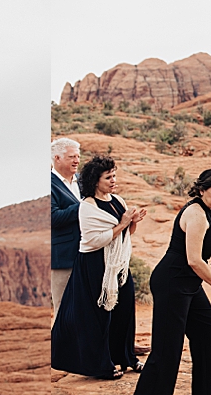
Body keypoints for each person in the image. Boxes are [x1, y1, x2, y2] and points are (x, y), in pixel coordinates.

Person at [118, 168, 211, 395]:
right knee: (167, 350)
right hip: (172, 283)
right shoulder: (195, 213)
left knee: (209, 332)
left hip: (188, 285)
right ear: (201, 190)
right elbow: (194, 260)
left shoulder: (208, 210)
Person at [50, 155, 147, 379]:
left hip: (117, 264)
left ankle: (126, 358)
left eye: (114, 176)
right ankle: (101, 365)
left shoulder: (117, 200)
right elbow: (95, 240)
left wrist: (132, 223)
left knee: (123, 311)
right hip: (95, 265)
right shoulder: (87, 206)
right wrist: (123, 223)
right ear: (96, 180)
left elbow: (124, 236)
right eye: (108, 177)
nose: (113, 180)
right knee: (99, 317)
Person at [51, 138, 82, 313]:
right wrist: (84, 206)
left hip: (88, 254)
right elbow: (53, 217)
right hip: (63, 258)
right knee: (63, 309)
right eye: (71, 157)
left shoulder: (82, 181)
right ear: (57, 158)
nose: (77, 161)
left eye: (78, 156)